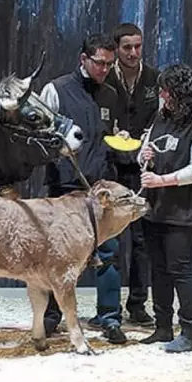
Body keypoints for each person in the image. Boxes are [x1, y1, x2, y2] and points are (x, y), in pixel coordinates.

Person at [40, 33, 127, 345]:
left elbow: (110, 136)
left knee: (108, 254)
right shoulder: (56, 90)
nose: (104, 69)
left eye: (109, 64)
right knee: (57, 256)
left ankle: (110, 317)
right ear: (84, 59)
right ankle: (51, 317)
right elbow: (37, 135)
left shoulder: (111, 95)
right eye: (99, 63)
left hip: (99, 190)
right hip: (64, 188)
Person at [137, 64, 192, 353]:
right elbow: (144, 148)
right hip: (156, 207)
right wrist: (144, 155)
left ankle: (190, 331)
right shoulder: (163, 116)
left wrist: (162, 180)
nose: (161, 95)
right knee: (159, 269)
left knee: (180, 269)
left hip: (183, 210)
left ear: (181, 94)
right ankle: (163, 326)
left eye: (166, 90)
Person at [105, 23, 159, 326]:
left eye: (138, 46)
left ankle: (138, 304)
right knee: (108, 242)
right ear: (116, 49)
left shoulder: (153, 78)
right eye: (127, 47)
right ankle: (108, 310)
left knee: (142, 242)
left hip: (141, 170)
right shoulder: (104, 78)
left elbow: (162, 118)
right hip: (109, 168)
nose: (133, 53)